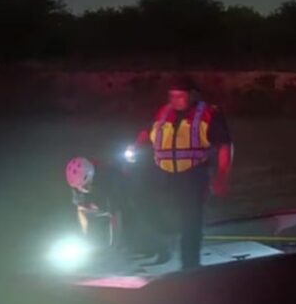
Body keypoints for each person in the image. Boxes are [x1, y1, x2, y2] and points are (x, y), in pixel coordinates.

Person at [135, 77, 233, 270]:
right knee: (144, 205)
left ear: (192, 95)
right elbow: (147, 133)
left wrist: (222, 177)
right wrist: (136, 146)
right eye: (172, 96)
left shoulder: (208, 114)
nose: (175, 100)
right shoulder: (164, 112)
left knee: (191, 219)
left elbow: (225, 146)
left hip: (193, 174)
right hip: (162, 173)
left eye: (180, 96)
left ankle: (190, 265)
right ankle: (160, 245)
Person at [65, 156, 127, 247]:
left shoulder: (107, 177)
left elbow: (114, 208)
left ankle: (117, 245)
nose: (81, 189)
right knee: (80, 209)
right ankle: (85, 238)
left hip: (116, 192)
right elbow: (80, 206)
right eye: (79, 187)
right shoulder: (77, 182)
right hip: (97, 198)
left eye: (85, 186)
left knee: (115, 211)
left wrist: (106, 208)